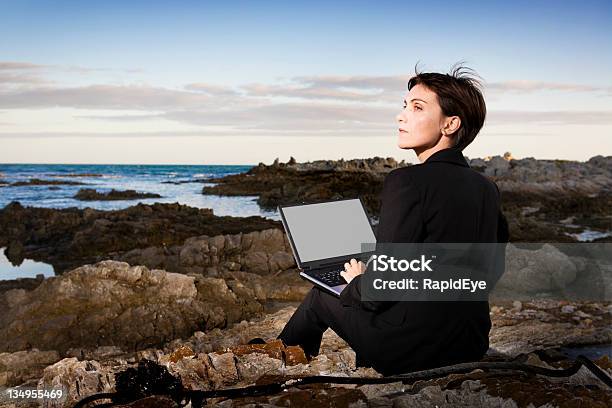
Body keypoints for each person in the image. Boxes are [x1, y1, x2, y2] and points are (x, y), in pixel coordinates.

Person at [277, 62, 510, 376]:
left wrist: (357, 280)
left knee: (322, 295)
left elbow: (379, 291)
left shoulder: (407, 181)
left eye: (417, 107)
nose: (401, 116)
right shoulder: (487, 189)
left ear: (450, 124)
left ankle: (280, 363)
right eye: (404, 106)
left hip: (412, 351)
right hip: (469, 343)